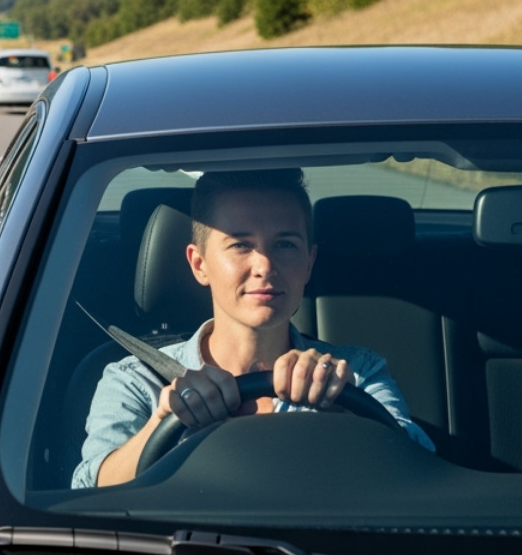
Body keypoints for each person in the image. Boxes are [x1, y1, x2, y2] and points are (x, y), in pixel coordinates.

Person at [73, 169, 435, 488]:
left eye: (285, 244)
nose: (265, 265)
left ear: (309, 263)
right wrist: (163, 424)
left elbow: (423, 472)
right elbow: (89, 490)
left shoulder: (355, 373)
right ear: (199, 264)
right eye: (241, 245)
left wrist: (345, 418)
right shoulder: (137, 381)